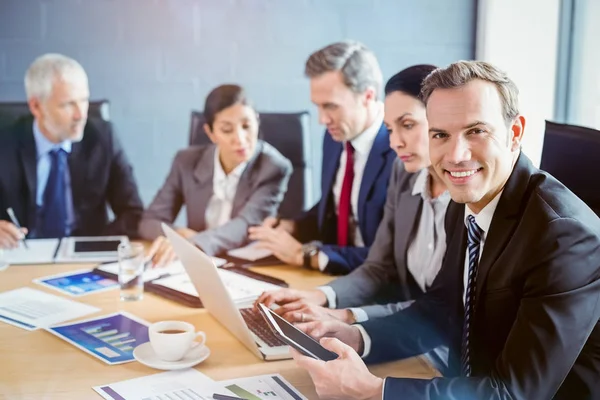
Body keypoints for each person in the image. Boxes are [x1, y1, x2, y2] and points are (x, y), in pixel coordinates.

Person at [291, 60, 600, 400]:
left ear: (514, 134)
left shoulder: (564, 237)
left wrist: (374, 391)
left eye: (476, 131)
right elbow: (442, 309)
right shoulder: (466, 199)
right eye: (441, 135)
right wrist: (358, 336)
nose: (456, 155)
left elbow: (514, 393)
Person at [255, 65, 450, 329]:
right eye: (390, 129)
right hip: (390, 316)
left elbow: (443, 307)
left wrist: (344, 315)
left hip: (420, 331)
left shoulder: (464, 192)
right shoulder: (403, 172)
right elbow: (377, 264)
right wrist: (319, 296)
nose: (396, 142)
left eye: (407, 125)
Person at [248, 41, 396, 274]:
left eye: (331, 107)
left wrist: (306, 255)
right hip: (328, 277)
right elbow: (336, 208)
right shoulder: (336, 137)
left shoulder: (401, 150)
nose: (322, 120)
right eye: (318, 107)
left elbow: (393, 255)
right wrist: (293, 227)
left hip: (374, 287)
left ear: (368, 96)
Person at [0, 53, 143, 249]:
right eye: (68, 104)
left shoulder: (102, 137)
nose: (80, 114)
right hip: (20, 253)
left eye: (84, 100)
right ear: (36, 106)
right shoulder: (6, 141)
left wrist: (98, 244)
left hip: (83, 256)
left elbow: (132, 211)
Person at [139, 84, 292, 265]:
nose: (240, 139)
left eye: (246, 126)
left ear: (257, 121)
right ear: (211, 133)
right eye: (227, 130)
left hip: (249, 266)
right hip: (199, 264)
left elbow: (245, 226)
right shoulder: (186, 161)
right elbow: (149, 223)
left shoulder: (274, 168)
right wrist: (179, 234)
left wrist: (192, 243)